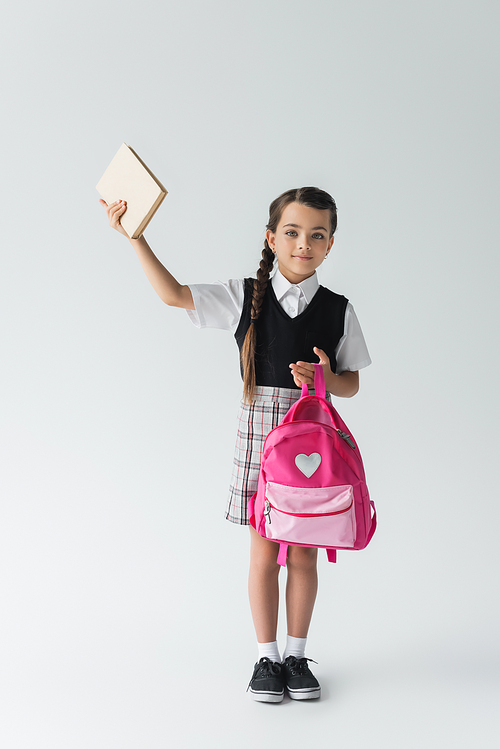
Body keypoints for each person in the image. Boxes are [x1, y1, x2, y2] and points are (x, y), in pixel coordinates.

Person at [99, 186, 371, 703]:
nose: (303, 244)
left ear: (331, 244)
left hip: (312, 435)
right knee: (264, 553)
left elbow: (351, 382)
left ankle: (297, 655)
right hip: (261, 437)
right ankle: (267, 659)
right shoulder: (247, 296)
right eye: (291, 232)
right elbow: (174, 294)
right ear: (272, 238)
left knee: (306, 555)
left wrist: (325, 377)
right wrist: (136, 238)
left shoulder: (338, 310)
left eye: (317, 235)